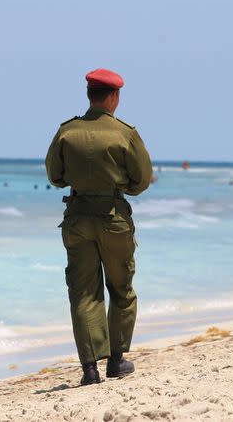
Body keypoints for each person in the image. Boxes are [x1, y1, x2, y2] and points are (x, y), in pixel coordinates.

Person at [45, 68, 152, 385]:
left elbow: (55, 176)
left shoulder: (67, 131)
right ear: (115, 97)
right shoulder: (125, 134)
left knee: (83, 294)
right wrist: (119, 188)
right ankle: (116, 360)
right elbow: (142, 180)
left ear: (89, 95)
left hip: (78, 216)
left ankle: (90, 369)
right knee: (121, 288)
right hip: (113, 217)